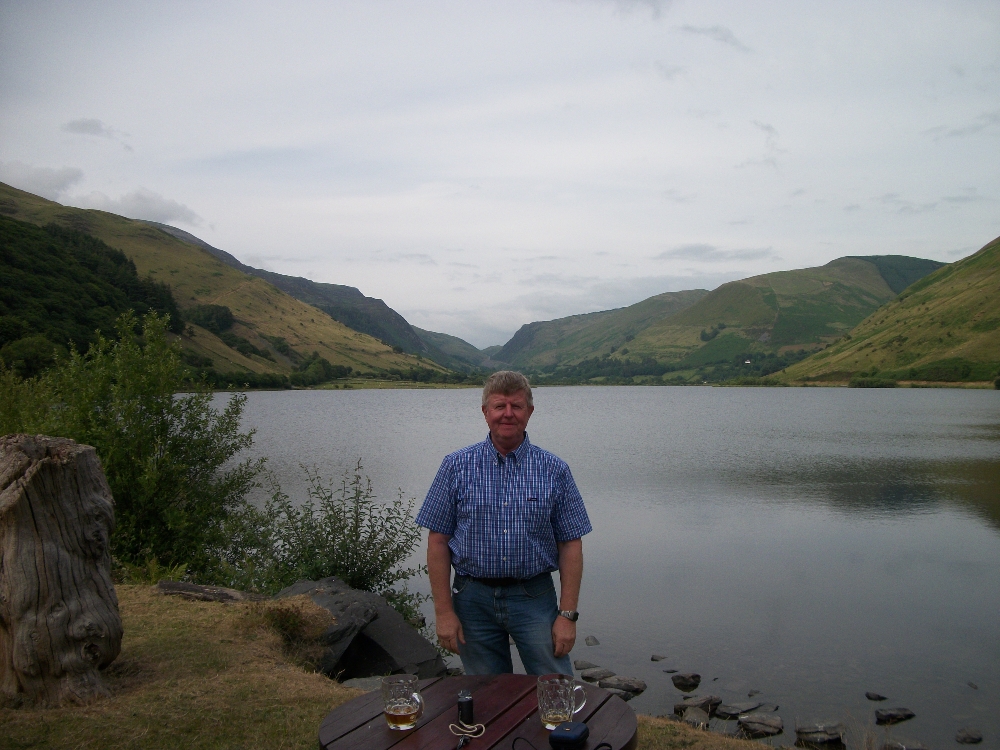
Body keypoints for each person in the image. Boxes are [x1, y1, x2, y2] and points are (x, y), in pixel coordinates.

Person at [415, 370, 592, 675]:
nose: (507, 414)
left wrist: (567, 615)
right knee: (487, 696)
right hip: (472, 600)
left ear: (530, 412)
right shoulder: (455, 466)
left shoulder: (555, 470)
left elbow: (571, 543)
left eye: (517, 406)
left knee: (555, 688)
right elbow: (438, 541)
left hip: (534, 599)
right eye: (499, 406)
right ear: (485, 412)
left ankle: (559, 726)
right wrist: (444, 612)